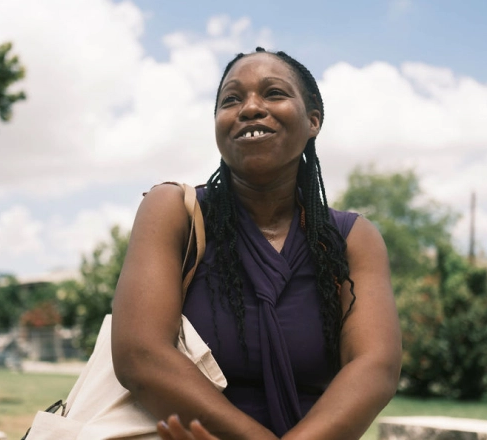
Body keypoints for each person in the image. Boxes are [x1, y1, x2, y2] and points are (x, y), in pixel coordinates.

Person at [111, 47, 401, 440]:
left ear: (313, 121)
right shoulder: (172, 211)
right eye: (231, 99)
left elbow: (374, 367)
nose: (250, 108)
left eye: (274, 94)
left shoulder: (352, 238)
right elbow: (140, 356)